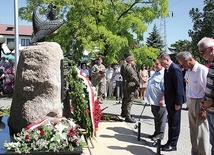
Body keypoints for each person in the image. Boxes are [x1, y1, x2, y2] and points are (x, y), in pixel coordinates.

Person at [177, 51, 210, 155]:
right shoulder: (190, 71)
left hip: (201, 103)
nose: (183, 66)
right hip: (192, 102)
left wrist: (204, 110)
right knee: (193, 132)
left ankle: (203, 153)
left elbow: (208, 92)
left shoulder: (202, 70)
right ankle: (194, 152)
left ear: (189, 60)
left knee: (201, 133)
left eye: (183, 64)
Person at [158, 52, 186, 151]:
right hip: (169, 101)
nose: (161, 65)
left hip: (175, 102)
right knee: (170, 122)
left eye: (162, 63)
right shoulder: (167, 69)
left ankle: (173, 144)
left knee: (175, 124)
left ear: (167, 59)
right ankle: (169, 142)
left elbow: (179, 87)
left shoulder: (175, 68)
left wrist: (178, 103)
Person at [198, 37, 214, 155]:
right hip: (210, 109)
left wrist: (211, 101)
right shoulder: (211, 64)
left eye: (202, 51)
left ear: (211, 49)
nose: (201, 55)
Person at [145, 59, 167, 141]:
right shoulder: (155, 73)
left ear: (162, 64)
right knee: (156, 118)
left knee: (161, 119)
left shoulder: (164, 74)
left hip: (160, 101)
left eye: (157, 64)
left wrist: (162, 99)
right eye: (155, 64)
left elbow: (166, 88)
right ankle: (156, 132)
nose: (155, 66)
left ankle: (160, 135)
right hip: (153, 101)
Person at [123, 55, 140, 123]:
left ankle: (127, 114)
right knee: (129, 101)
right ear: (130, 61)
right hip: (131, 85)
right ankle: (128, 116)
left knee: (127, 100)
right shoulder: (129, 68)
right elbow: (134, 77)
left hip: (128, 84)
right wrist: (138, 84)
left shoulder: (127, 67)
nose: (134, 62)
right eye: (133, 60)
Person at [120, 53, 131, 117]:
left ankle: (124, 111)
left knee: (125, 98)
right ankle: (125, 112)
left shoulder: (125, 64)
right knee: (126, 98)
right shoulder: (125, 65)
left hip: (126, 82)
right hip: (127, 82)